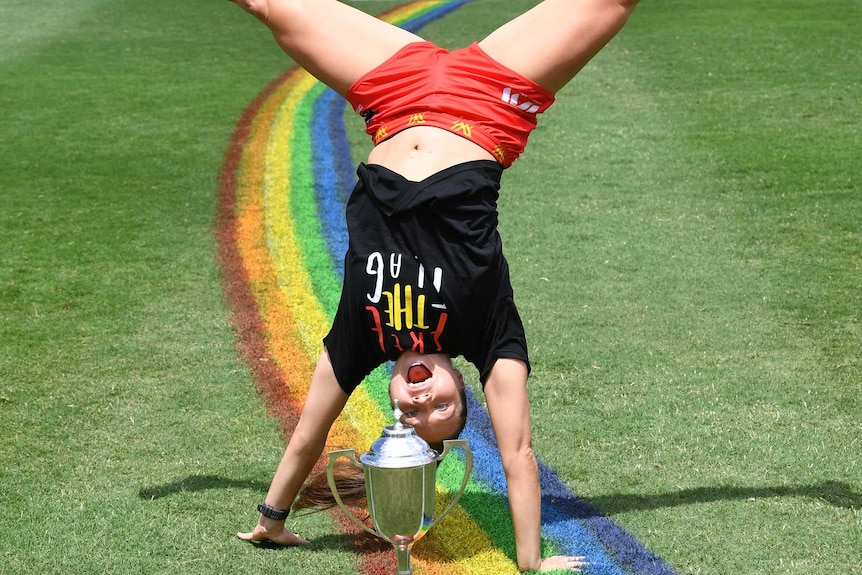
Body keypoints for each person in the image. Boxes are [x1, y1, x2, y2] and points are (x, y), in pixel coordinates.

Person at [228, 0, 640, 572]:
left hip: (392, 96)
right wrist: (530, 562)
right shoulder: (488, 333)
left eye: (410, 414)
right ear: (460, 382)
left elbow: (305, 438)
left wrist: (270, 520)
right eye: (443, 406)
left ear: (392, 402)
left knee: (270, 6)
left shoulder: (361, 338)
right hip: (490, 98)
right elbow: (518, 453)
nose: (422, 400)